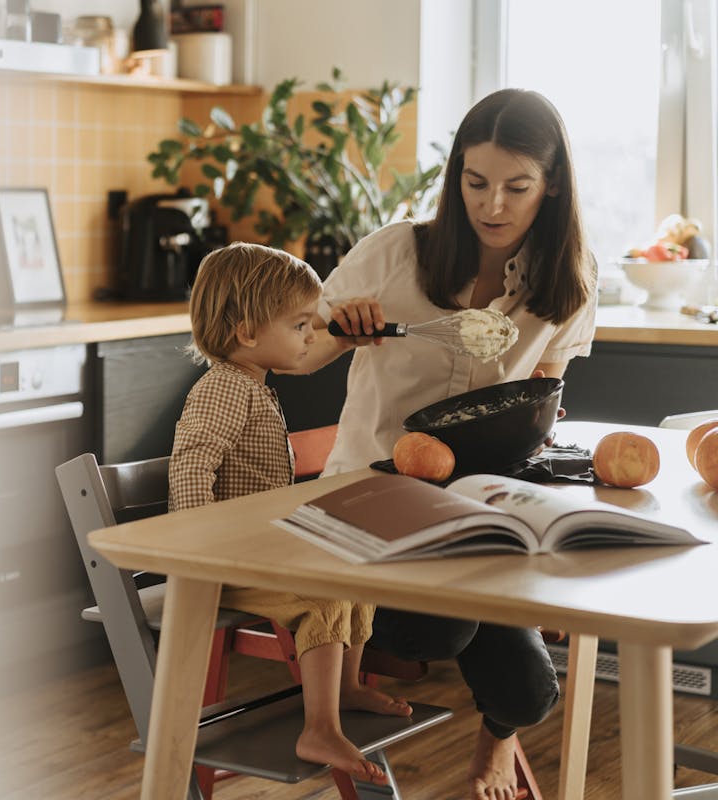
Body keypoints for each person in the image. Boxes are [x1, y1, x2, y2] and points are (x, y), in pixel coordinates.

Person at [292, 89, 598, 800]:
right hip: (367, 508)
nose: (493, 205)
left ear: (550, 185)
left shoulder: (568, 286)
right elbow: (298, 351)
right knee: (439, 633)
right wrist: (338, 326)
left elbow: (540, 405)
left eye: (516, 187)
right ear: (456, 174)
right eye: (476, 182)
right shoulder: (395, 254)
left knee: (529, 692)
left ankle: (493, 749)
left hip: (472, 516)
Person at [168, 241, 412, 784]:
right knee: (323, 591)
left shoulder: (251, 385)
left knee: (352, 572)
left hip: (253, 551)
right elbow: (189, 465)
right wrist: (200, 547)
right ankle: (319, 726)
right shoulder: (225, 390)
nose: (310, 336)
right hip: (223, 564)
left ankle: (344, 689)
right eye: (300, 324)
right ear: (250, 333)